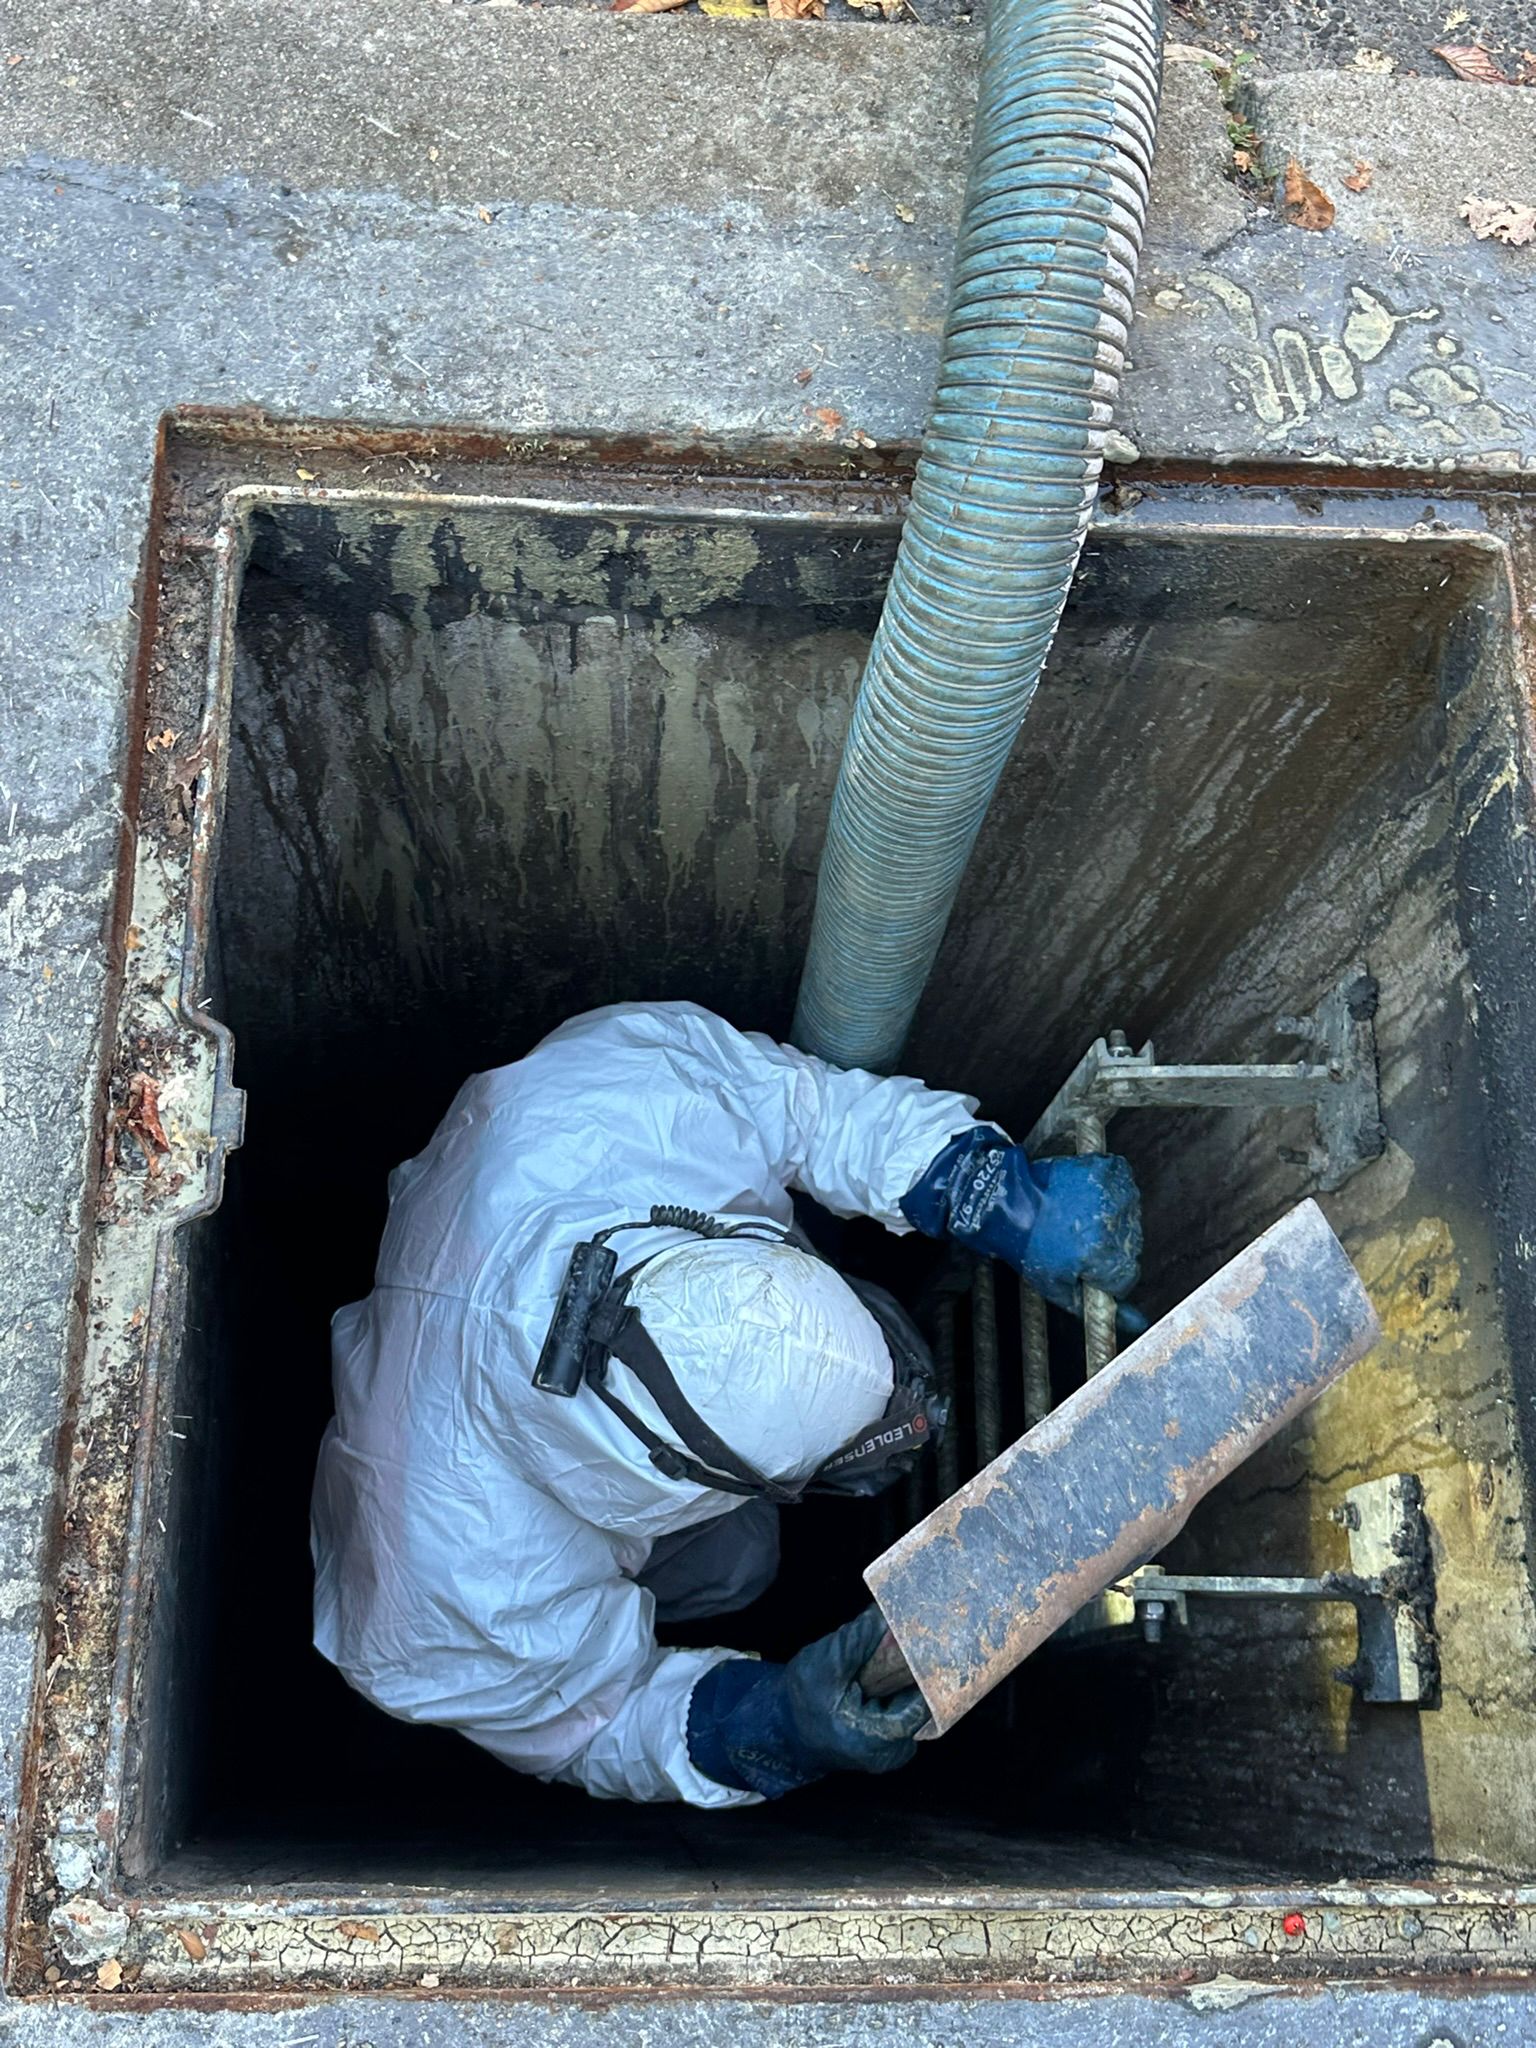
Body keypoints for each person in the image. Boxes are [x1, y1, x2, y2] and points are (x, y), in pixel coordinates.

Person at [311, 1002, 1140, 1808]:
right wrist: (765, 1725)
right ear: (678, 1476)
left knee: (746, 1551)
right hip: (468, 1497)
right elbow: (595, 1726)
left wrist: (983, 1187)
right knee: (744, 1562)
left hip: (499, 1264)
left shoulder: (622, 1093)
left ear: (708, 1239)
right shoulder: (456, 1583)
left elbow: (808, 1110)